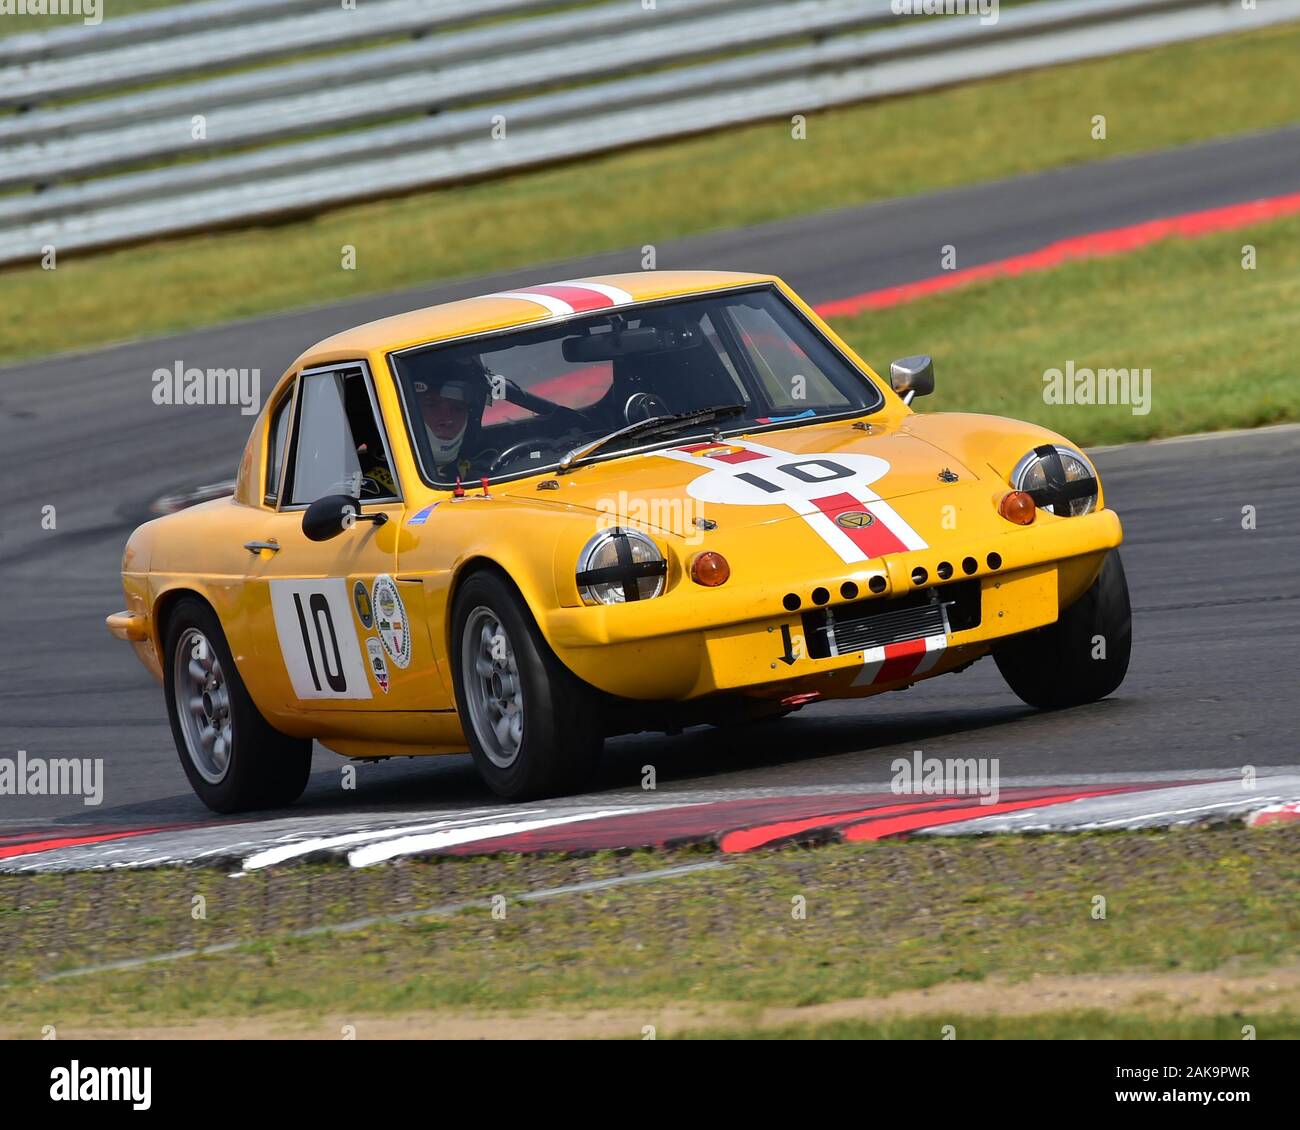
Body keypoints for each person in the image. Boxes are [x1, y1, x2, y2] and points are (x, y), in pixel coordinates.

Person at [412, 356, 491, 481]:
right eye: (432, 405)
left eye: (457, 407)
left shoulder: (486, 470)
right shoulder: (382, 489)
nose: (447, 418)